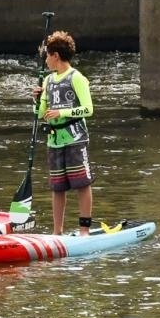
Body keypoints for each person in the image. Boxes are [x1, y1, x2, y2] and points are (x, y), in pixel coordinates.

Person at [35, 31, 95, 235]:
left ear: (55, 56)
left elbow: (88, 109)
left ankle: (84, 229)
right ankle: (57, 232)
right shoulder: (48, 81)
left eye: (47, 56)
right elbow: (41, 114)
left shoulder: (77, 78)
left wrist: (62, 111)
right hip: (54, 140)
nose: (46, 60)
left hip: (75, 139)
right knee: (57, 187)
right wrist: (38, 100)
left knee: (82, 183)